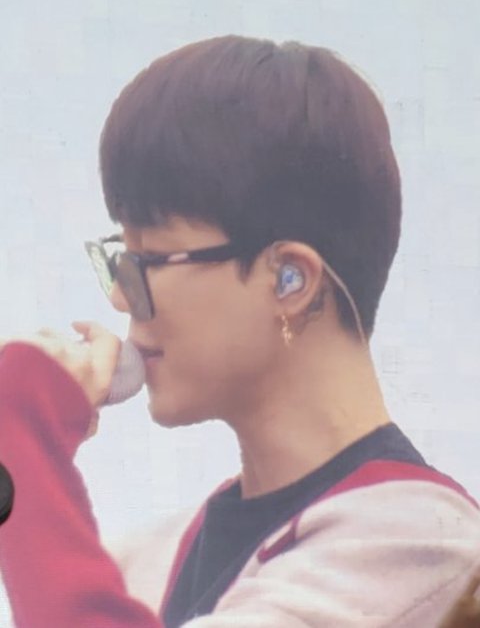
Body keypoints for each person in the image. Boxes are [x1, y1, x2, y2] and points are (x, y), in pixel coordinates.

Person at [1, 35, 480, 627]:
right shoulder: (142, 565)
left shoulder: (420, 547)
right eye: (119, 257)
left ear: (289, 280)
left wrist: (23, 431)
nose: (121, 295)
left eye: (149, 260)